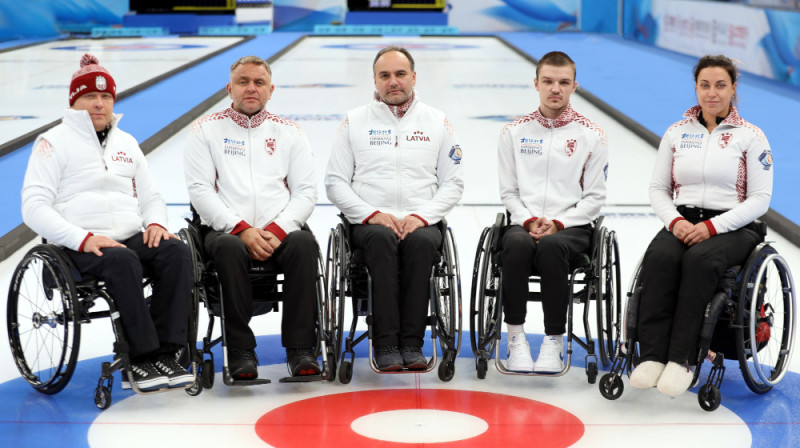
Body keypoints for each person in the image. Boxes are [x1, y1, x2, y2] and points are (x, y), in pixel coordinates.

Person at [21, 54, 194, 392]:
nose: (99, 104)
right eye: (90, 96)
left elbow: (151, 197)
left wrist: (156, 222)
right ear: (75, 101)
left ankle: (166, 353)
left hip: (127, 238)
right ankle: (141, 358)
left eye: (105, 97)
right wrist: (83, 238)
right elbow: (33, 207)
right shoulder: (53, 142)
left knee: (176, 252)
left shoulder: (126, 143)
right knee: (123, 260)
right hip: (75, 245)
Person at [629, 55, 773, 397]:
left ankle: (682, 360)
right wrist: (675, 221)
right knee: (660, 259)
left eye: (720, 85)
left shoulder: (751, 137)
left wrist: (712, 228)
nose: (712, 93)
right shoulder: (677, 132)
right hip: (683, 220)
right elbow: (658, 189)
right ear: (696, 87)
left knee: (700, 262)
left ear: (733, 89)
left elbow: (759, 199)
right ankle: (651, 356)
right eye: (705, 85)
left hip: (733, 225)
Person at [325, 46, 464, 371]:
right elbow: (335, 182)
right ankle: (386, 343)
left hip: (422, 220)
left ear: (413, 77)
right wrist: (371, 214)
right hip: (369, 222)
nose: (393, 82)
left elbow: (453, 183)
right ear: (375, 80)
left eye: (400, 74)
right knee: (381, 239)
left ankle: (412, 343)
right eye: (385, 75)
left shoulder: (438, 121)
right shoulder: (354, 121)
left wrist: (421, 217)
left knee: (421, 242)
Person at [184, 55, 321, 380]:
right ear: (229, 88)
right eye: (243, 82)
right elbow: (200, 191)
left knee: (304, 243)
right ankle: (241, 351)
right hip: (225, 232)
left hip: (279, 232)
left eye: (258, 82)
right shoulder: (205, 129)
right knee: (229, 248)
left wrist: (276, 229)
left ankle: (301, 350)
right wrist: (242, 229)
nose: (251, 88)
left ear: (270, 90)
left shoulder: (289, 132)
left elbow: (306, 192)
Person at [498, 51, 608, 374]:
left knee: (551, 245)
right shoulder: (513, 132)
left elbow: (595, 197)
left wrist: (559, 222)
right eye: (547, 81)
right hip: (524, 221)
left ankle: (553, 340)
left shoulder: (592, 135)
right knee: (515, 244)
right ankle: (516, 338)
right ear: (536, 83)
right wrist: (529, 220)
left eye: (563, 82)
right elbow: (509, 192)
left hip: (571, 227)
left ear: (575, 86)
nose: (555, 89)